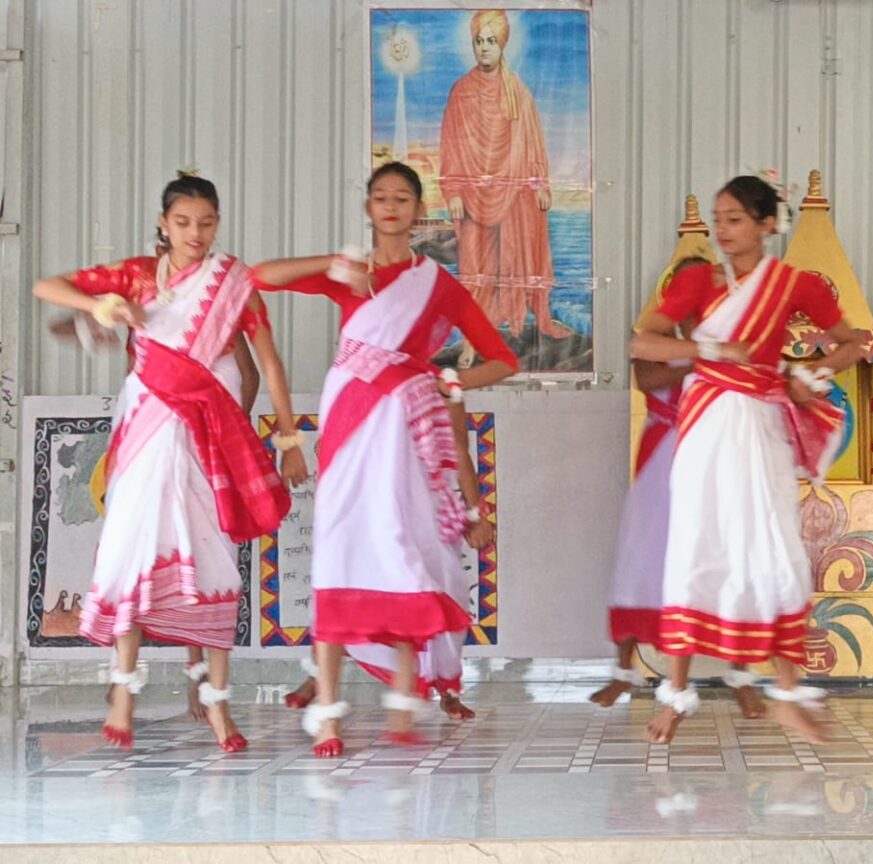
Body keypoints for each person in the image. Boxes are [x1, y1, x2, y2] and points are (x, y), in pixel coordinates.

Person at [33, 172, 308, 751]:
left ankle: (217, 706)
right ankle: (124, 694)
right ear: (164, 223)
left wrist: (289, 440)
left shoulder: (234, 284)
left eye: (206, 222)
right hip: (145, 429)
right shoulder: (135, 275)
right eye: (183, 222)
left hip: (206, 435)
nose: (196, 233)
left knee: (209, 554)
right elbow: (45, 287)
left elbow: (269, 365)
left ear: (218, 223)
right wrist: (98, 304)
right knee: (134, 544)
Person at [253, 161, 517, 756]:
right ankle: (329, 714)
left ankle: (406, 697)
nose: (392, 207)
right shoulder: (350, 274)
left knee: (402, 544)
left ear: (419, 212)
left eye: (403, 198)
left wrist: (448, 378)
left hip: (405, 423)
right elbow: (260, 276)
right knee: (338, 545)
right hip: (349, 415)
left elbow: (504, 358)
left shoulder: (438, 283)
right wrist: (330, 264)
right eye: (381, 198)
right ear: (368, 208)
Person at [630, 175, 868, 744]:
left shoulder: (792, 285)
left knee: (773, 546)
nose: (723, 230)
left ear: (767, 224)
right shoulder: (696, 282)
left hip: (760, 428)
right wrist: (710, 349)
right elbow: (644, 343)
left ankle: (786, 692)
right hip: (708, 425)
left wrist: (809, 375)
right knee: (697, 543)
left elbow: (856, 342)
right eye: (718, 218)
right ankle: (676, 696)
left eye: (735, 218)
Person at [590, 257, 766, 717]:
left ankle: (742, 677)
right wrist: (700, 357)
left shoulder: (734, 343)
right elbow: (646, 379)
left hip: (715, 467)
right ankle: (623, 674)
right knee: (641, 561)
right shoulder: (658, 343)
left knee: (726, 563)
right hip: (660, 465)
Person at [282, 397, 494, 720]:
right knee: (349, 591)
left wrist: (475, 513)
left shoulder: (443, 386)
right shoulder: (364, 380)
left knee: (447, 597)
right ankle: (318, 677)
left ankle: (447, 689)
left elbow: (460, 451)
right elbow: (329, 445)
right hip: (377, 508)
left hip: (433, 512)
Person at [439, 8, 570, 355]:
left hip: (514, 192)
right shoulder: (460, 92)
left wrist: (540, 184)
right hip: (472, 194)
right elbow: (450, 144)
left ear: (503, 45)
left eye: (491, 41)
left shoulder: (519, 93)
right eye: (479, 41)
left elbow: (533, 144)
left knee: (515, 256)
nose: (484, 48)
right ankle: (474, 333)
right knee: (475, 266)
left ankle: (520, 319)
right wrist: (452, 189)